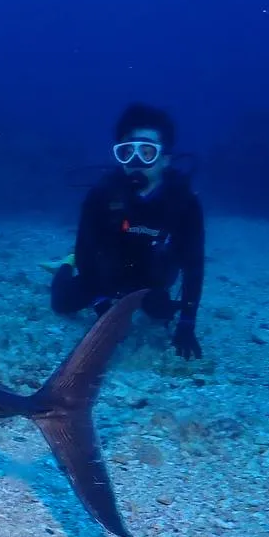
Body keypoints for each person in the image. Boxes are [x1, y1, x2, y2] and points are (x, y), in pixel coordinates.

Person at [49, 102, 205, 360]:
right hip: (104, 276)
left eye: (147, 152)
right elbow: (86, 251)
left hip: (152, 280)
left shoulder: (185, 203)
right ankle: (65, 265)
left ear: (165, 159)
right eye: (127, 151)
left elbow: (194, 266)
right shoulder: (101, 196)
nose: (135, 161)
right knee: (62, 304)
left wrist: (187, 323)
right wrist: (101, 304)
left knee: (159, 313)